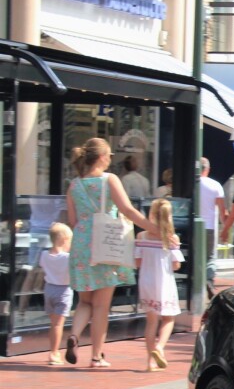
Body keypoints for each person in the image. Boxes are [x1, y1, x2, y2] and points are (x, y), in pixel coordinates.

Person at [64, 137, 159, 368]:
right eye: (109, 156)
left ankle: (74, 336)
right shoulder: (110, 180)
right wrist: (156, 229)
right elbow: (128, 209)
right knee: (101, 306)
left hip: (82, 244)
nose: (110, 160)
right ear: (102, 156)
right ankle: (96, 356)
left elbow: (73, 221)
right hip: (106, 243)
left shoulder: (74, 185)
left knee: (85, 301)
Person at [135, 198, 184, 372]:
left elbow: (138, 262)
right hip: (165, 282)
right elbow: (176, 264)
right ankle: (160, 347)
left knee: (151, 322)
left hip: (146, 281)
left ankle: (150, 362)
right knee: (168, 318)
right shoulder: (171, 239)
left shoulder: (141, 236)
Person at [39, 223, 73, 365]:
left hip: (49, 289)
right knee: (58, 325)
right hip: (63, 291)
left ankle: (54, 350)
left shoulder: (44, 254)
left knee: (53, 324)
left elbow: (42, 268)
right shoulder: (67, 257)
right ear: (65, 239)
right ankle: (54, 353)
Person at [197, 156, 227, 297]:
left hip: (194, 227)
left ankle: (196, 284)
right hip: (210, 227)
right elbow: (222, 211)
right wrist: (225, 228)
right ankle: (208, 280)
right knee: (210, 258)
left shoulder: (192, 183)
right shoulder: (215, 185)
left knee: (196, 256)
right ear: (207, 169)